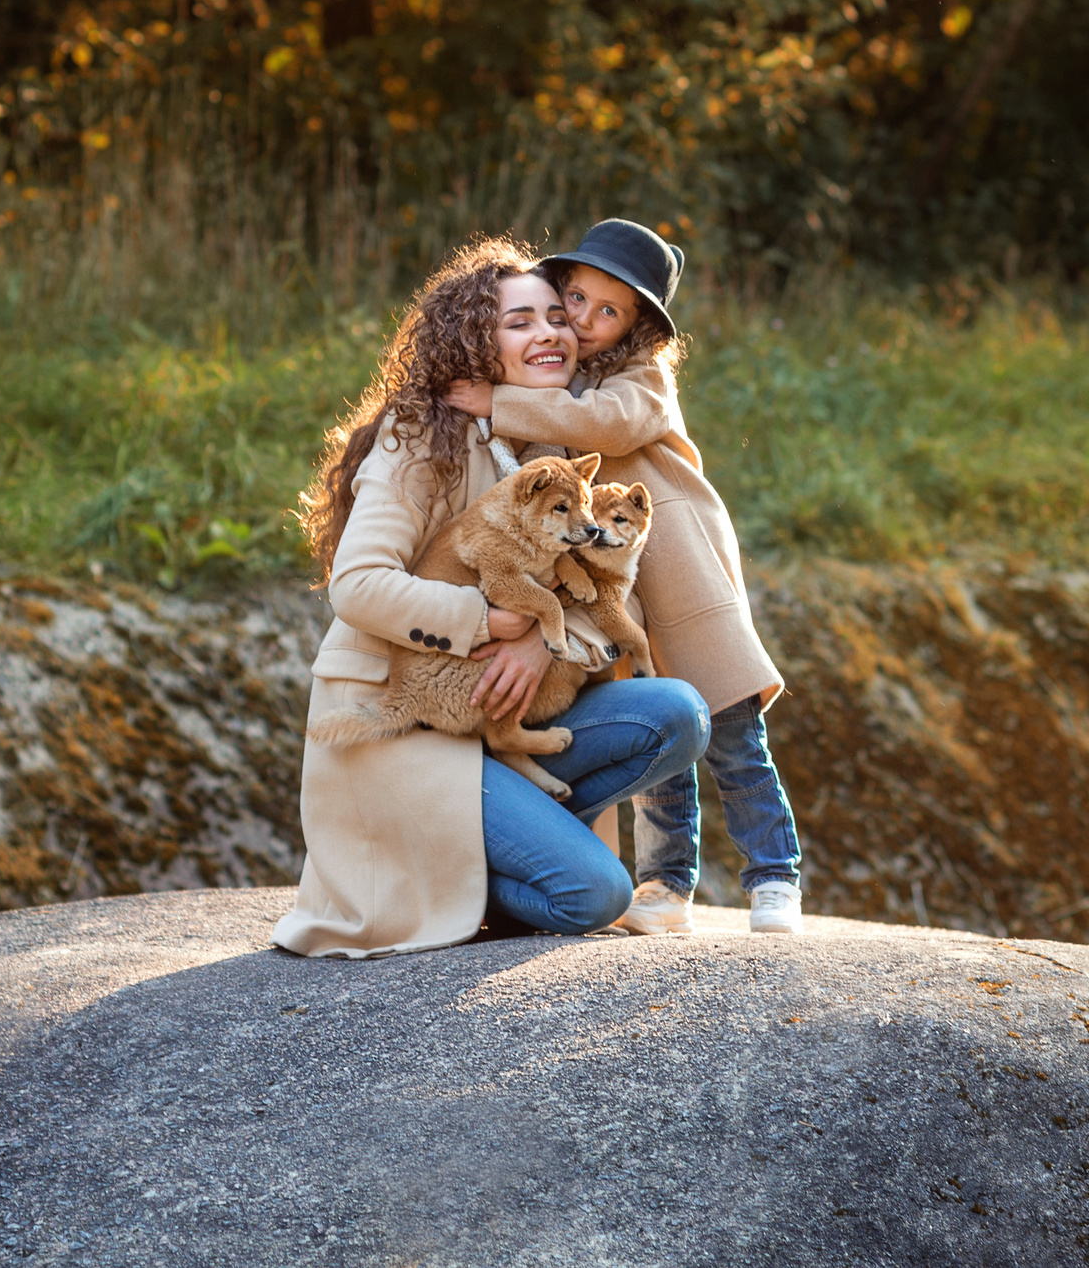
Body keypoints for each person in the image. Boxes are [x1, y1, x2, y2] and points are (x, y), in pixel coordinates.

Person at [274, 236, 710, 957]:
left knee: (678, 715)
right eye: (519, 321)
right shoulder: (418, 437)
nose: (548, 332)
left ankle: (524, 834)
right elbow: (357, 583)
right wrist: (489, 623)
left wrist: (540, 637)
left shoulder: (557, 448)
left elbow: (576, 584)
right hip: (412, 730)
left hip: (495, 726)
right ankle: (454, 874)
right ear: (478, 340)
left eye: (555, 317)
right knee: (594, 894)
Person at [446, 219, 803, 936]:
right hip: (618, 595)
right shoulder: (554, 380)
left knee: (733, 733)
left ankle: (774, 875)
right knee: (665, 745)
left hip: (686, 579)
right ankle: (667, 886)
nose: (582, 319)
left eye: (607, 311)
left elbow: (607, 427)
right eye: (574, 298)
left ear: (638, 327)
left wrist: (499, 403)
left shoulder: (644, 381)